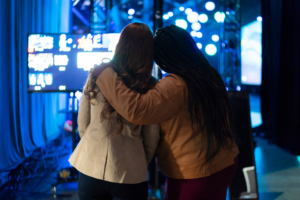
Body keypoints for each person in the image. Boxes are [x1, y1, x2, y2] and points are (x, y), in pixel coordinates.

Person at [93, 25, 239, 200]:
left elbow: (137, 109)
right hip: (223, 162)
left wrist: (106, 75)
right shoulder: (206, 74)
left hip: (195, 173)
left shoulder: (176, 84)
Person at [69, 23, 160, 200]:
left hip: (91, 168)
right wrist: (137, 161)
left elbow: (82, 124)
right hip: (130, 173)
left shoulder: (97, 74)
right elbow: (151, 139)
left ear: (120, 45)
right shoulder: (151, 86)